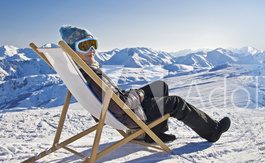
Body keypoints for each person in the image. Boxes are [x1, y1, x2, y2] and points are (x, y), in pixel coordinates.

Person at [59, 25, 230, 143]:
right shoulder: (91, 74)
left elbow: (112, 99)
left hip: (117, 111)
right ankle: (212, 131)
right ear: (73, 51)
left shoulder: (79, 71)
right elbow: (123, 104)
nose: (92, 50)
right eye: (84, 46)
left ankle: (153, 133)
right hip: (130, 116)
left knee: (160, 86)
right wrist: (138, 94)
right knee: (176, 103)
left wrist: (130, 94)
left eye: (93, 44)